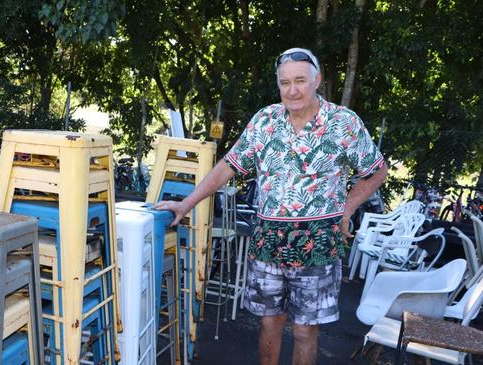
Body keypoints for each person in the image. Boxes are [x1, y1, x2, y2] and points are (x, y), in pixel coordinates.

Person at [154, 47, 388, 365]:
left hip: (317, 244)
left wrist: (347, 208)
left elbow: (376, 171)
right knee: (269, 323)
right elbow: (229, 165)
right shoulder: (265, 120)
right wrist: (187, 203)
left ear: (317, 80)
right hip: (269, 242)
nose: (292, 90)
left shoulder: (344, 124)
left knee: (305, 332)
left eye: (300, 81)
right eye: (285, 82)